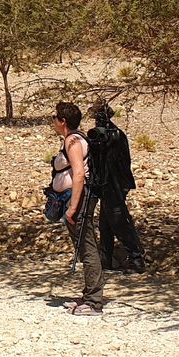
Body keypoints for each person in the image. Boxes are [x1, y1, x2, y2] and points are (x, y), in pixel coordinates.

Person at [51, 102, 106, 315]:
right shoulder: (74, 139)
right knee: (83, 245)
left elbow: (79, 174)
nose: (53, 122)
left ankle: (94, 301)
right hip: (76, 200)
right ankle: (88, 295)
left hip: (80, 201)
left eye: (55, 118)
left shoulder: (73, 141)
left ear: (63, 121)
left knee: (87, 246)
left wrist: (73, 208)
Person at [89, 103, 145, 273]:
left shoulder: (115, 135)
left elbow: (117, 162)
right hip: (110, 184)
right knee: (106, 223)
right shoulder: (111, 135)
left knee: (119, 222)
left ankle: (136, 258)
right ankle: (105, 258)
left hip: (113, 184)